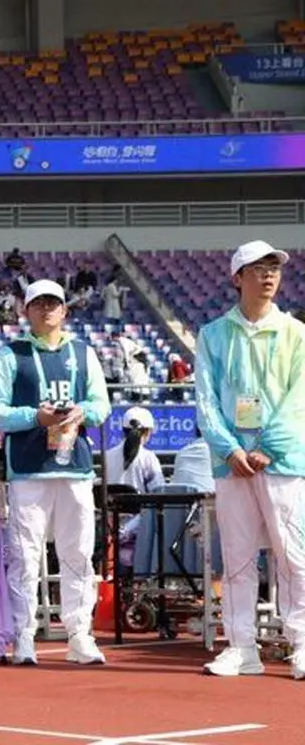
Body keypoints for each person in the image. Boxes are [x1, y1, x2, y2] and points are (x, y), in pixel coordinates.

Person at [0, 279, 111, 666]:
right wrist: (34, 417)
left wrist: (81, 412)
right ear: (26, 310)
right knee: (25, 555)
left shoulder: (84, 353)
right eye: (38, 304)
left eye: (53, 303)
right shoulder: (11, 354)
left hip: (74, 467)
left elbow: (102, 405)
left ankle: (79, 634)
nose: (46, 310)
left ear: (64, 310)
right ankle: (24, 635)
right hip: (28, 468)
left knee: (78, 553)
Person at [194, 240, 305, 679]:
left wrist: (267, 448)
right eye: (257, 268)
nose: (269, 275)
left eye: (274, 268)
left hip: (283, 461)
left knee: (293, 553)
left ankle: (301, 643)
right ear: (237, 278)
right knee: (237, 556)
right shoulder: (213, 335)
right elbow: (205, 400)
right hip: (233, 463)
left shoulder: (297, 334)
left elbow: (299, 400)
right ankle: (241, 646)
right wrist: (231, 449)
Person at [103, 407, 164, 493]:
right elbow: (158, 490)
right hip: (139, 506)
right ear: (148, 432)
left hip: (111, 506)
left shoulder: (107, 456)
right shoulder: (149, 458)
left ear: (123, 430)